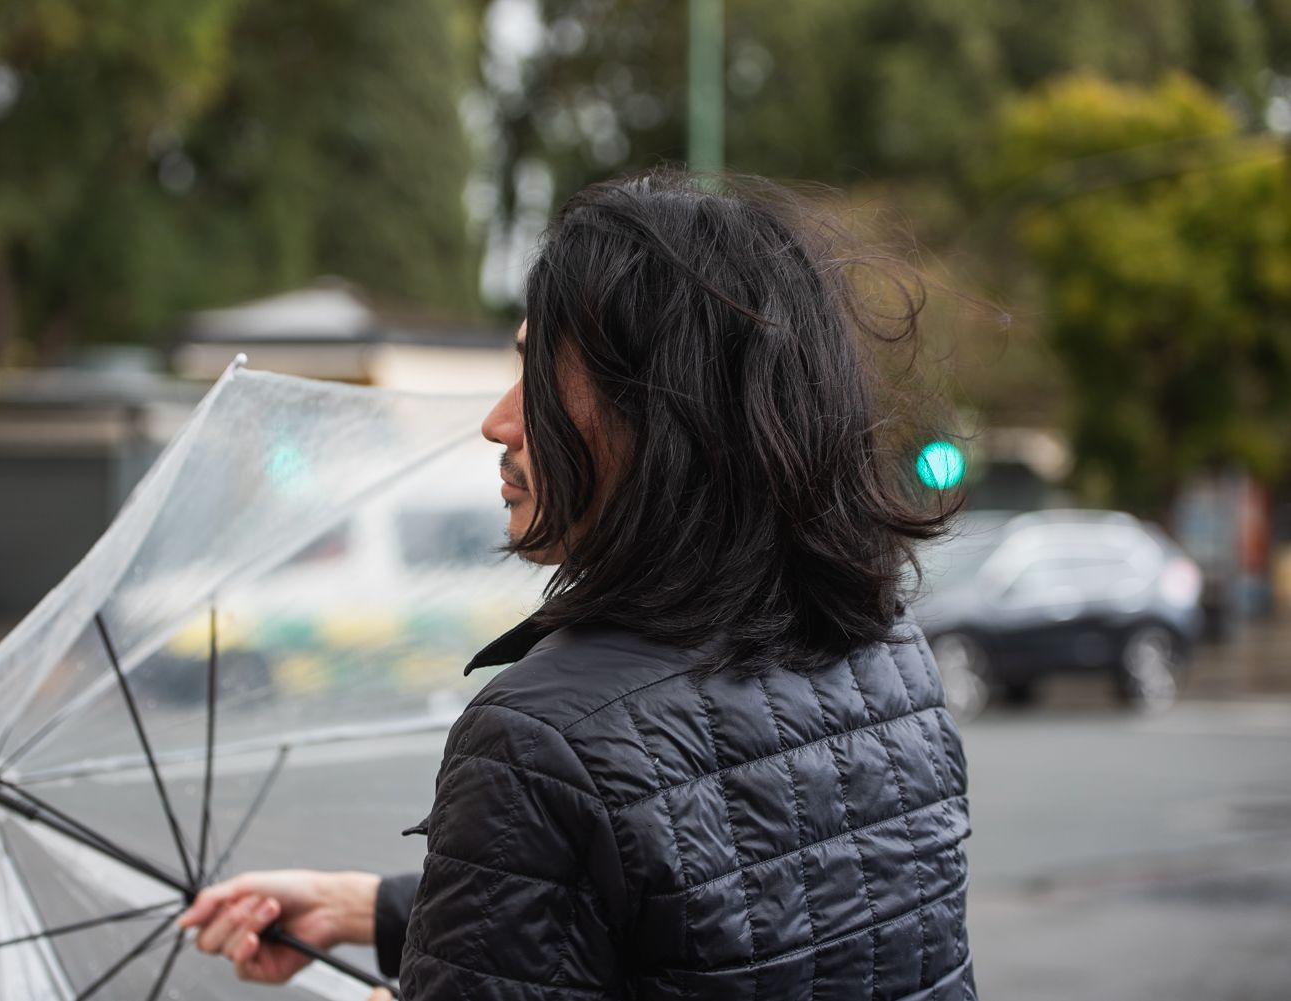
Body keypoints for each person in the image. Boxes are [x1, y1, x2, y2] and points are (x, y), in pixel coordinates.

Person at [179, 169, 977, 1000]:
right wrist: (370, 908)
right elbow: (754, 910)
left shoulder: (541, 739)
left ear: (661, 412)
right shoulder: (890, 655)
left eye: (536, 373)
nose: (497, 421)